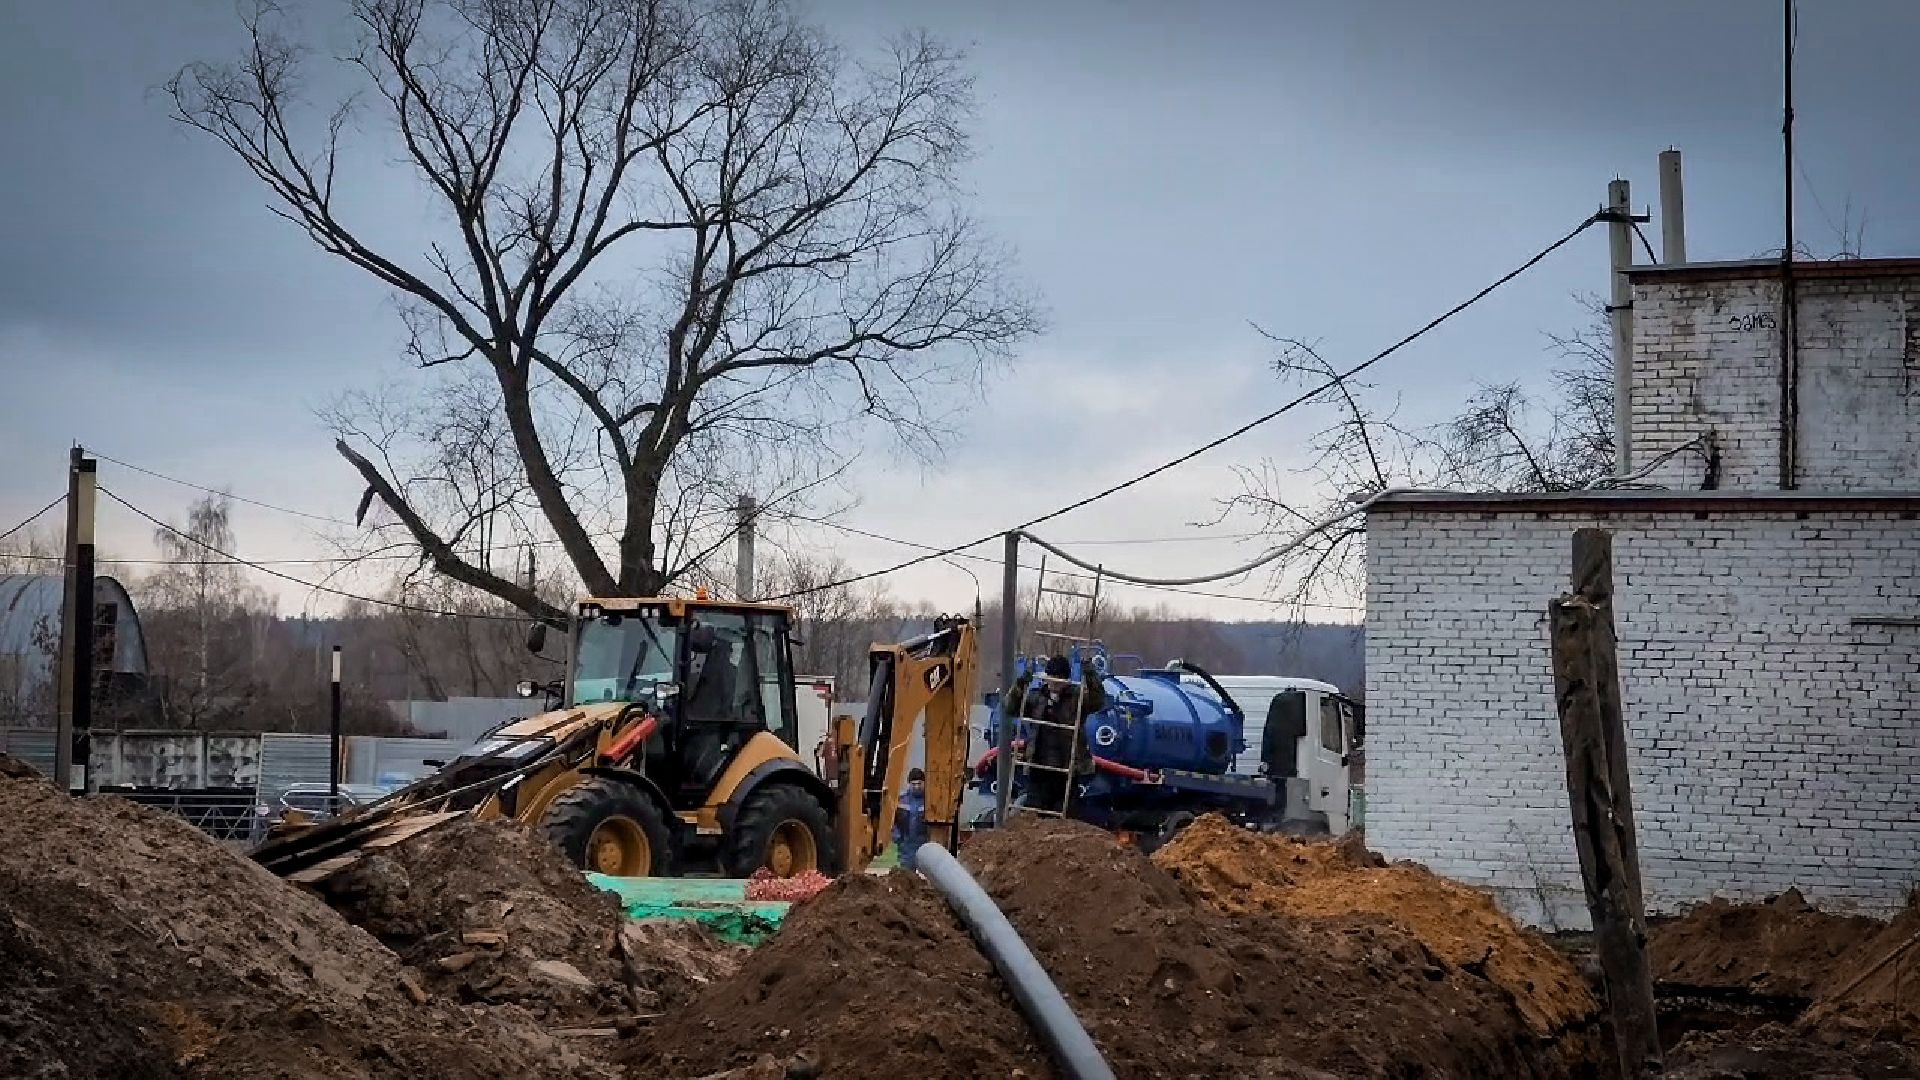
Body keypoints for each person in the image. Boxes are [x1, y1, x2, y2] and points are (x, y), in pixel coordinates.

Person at [893, 768, 929, 870]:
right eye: (914, 784)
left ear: (924, 783)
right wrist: (897, 838)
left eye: (919, 783)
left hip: (924, 844)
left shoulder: (930, 800)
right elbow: (894, 821)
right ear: (909, 784)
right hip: (906, 845)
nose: (917, 787)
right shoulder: (901, 799)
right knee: (907, 876)